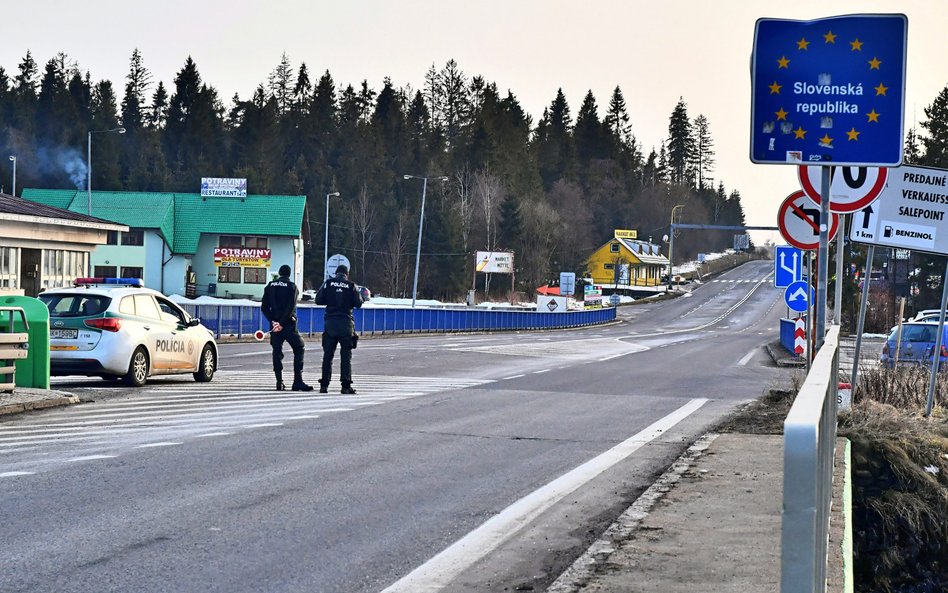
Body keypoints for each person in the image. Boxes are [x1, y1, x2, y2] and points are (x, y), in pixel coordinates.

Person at [261, 264, 313, 391]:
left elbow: (264, 307)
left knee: (276, 352)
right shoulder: (292, 287)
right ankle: (297, 381)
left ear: (279, 273)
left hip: (274, 327)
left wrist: (274, 322)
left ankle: (279, 381)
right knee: (299, 347)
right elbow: (290, 307)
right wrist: (282, 323)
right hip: (288, 325)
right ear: (289, 274)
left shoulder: (270, 286)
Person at [315, 264, 363, 394]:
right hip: (346, 325)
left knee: (328, 356)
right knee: (346, 356)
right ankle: (345, 386)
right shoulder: (351, 285)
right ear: (347, 274)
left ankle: (324, 385)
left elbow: (318, 300)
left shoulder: (328, 283)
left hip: (330, 324)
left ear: (335, 273)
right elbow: (358, 303)